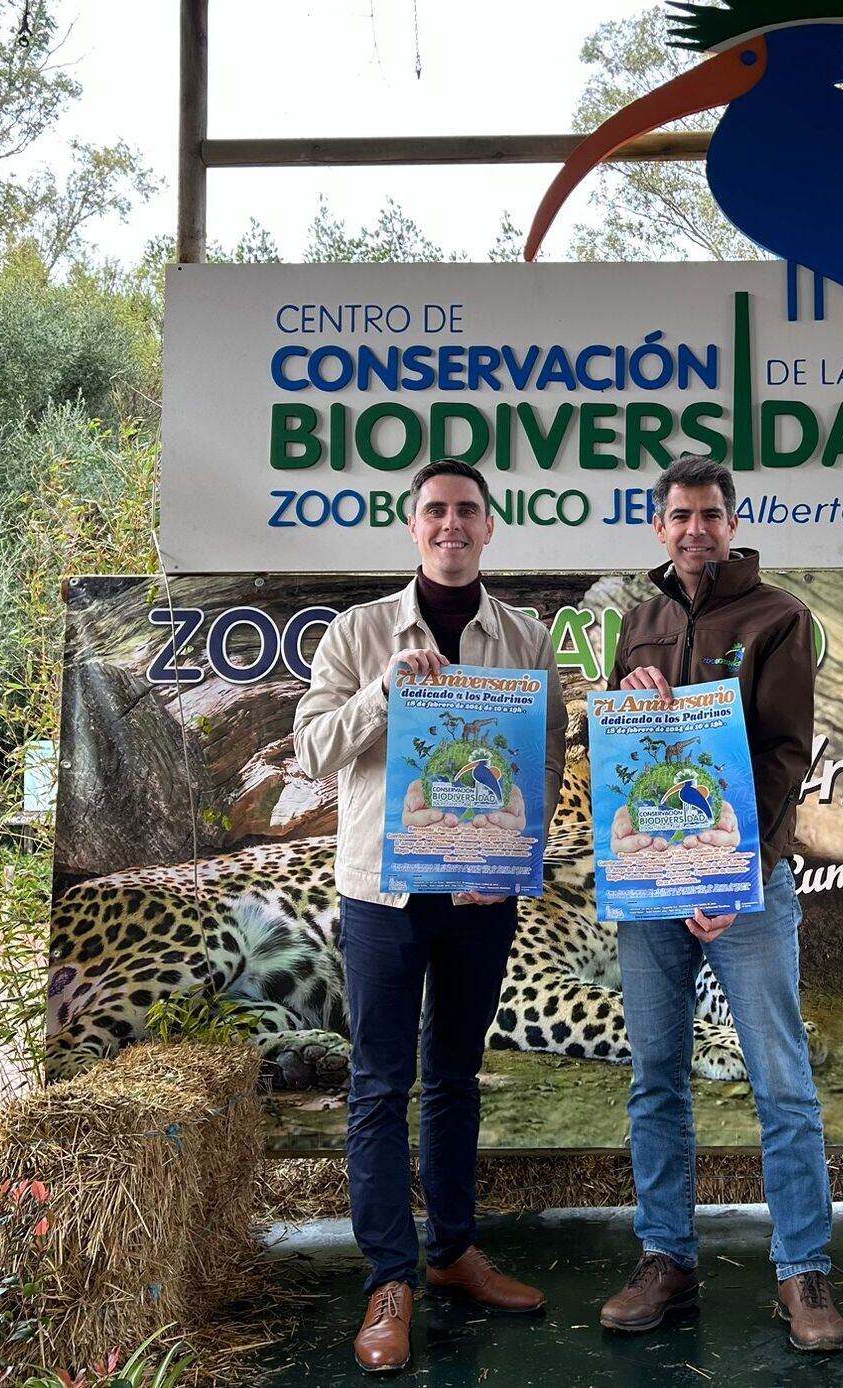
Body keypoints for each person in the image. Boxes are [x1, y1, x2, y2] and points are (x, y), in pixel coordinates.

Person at [292, 458, 565, 1375]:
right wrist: (382, 693)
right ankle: (389, 1277)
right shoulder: (358, 631)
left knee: (454, 1076)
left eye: (468, 512)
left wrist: (513, 859)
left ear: (490, 528)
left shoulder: (525, 637)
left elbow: (545, 761)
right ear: (414, 527)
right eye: (435, 511)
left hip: (481, 896)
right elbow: (311, 749)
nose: (452, 525)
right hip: (382, 892)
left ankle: (451, 1252)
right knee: (378, 1084)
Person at [598, 454, 842, 1353]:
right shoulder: (641, 621)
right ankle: (665, 1256)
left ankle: (801, 1266)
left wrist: (733, 876)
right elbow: (628, 748)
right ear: (658, 526)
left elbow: (783, 758)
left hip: (747, 889)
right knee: (655, 1080)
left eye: (709, 514)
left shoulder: (779, 617)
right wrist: (623, 694)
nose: (694, 529)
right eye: (678, 516)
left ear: (731, 521)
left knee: (782, 1082)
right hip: (651, 890)